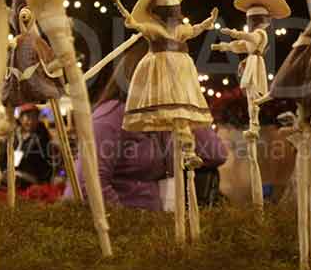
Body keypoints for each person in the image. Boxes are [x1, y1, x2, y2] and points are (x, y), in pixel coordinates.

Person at [72, 39, 227, 211]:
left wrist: (188, 105)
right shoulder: (110, 118)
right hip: (116, 222)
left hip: (154, 219)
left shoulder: (162, 116)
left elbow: (215, 154)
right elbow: (89, 183)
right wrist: (124, 221)